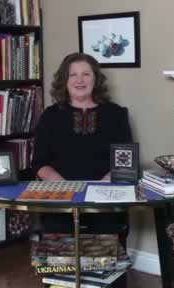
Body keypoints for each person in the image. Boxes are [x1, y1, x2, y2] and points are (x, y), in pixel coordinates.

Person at [32, 52, 132, 240]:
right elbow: (39, 164)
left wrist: (101, 188)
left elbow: (125, 162)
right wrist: (69, 189)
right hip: (61, 199)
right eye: (73, 75)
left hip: (104, 200)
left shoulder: (116, 114)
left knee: (105, 257)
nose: (80, 80)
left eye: (86, 74)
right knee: (59, 260)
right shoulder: (50, 116)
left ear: (96, 79)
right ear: (65, 80)